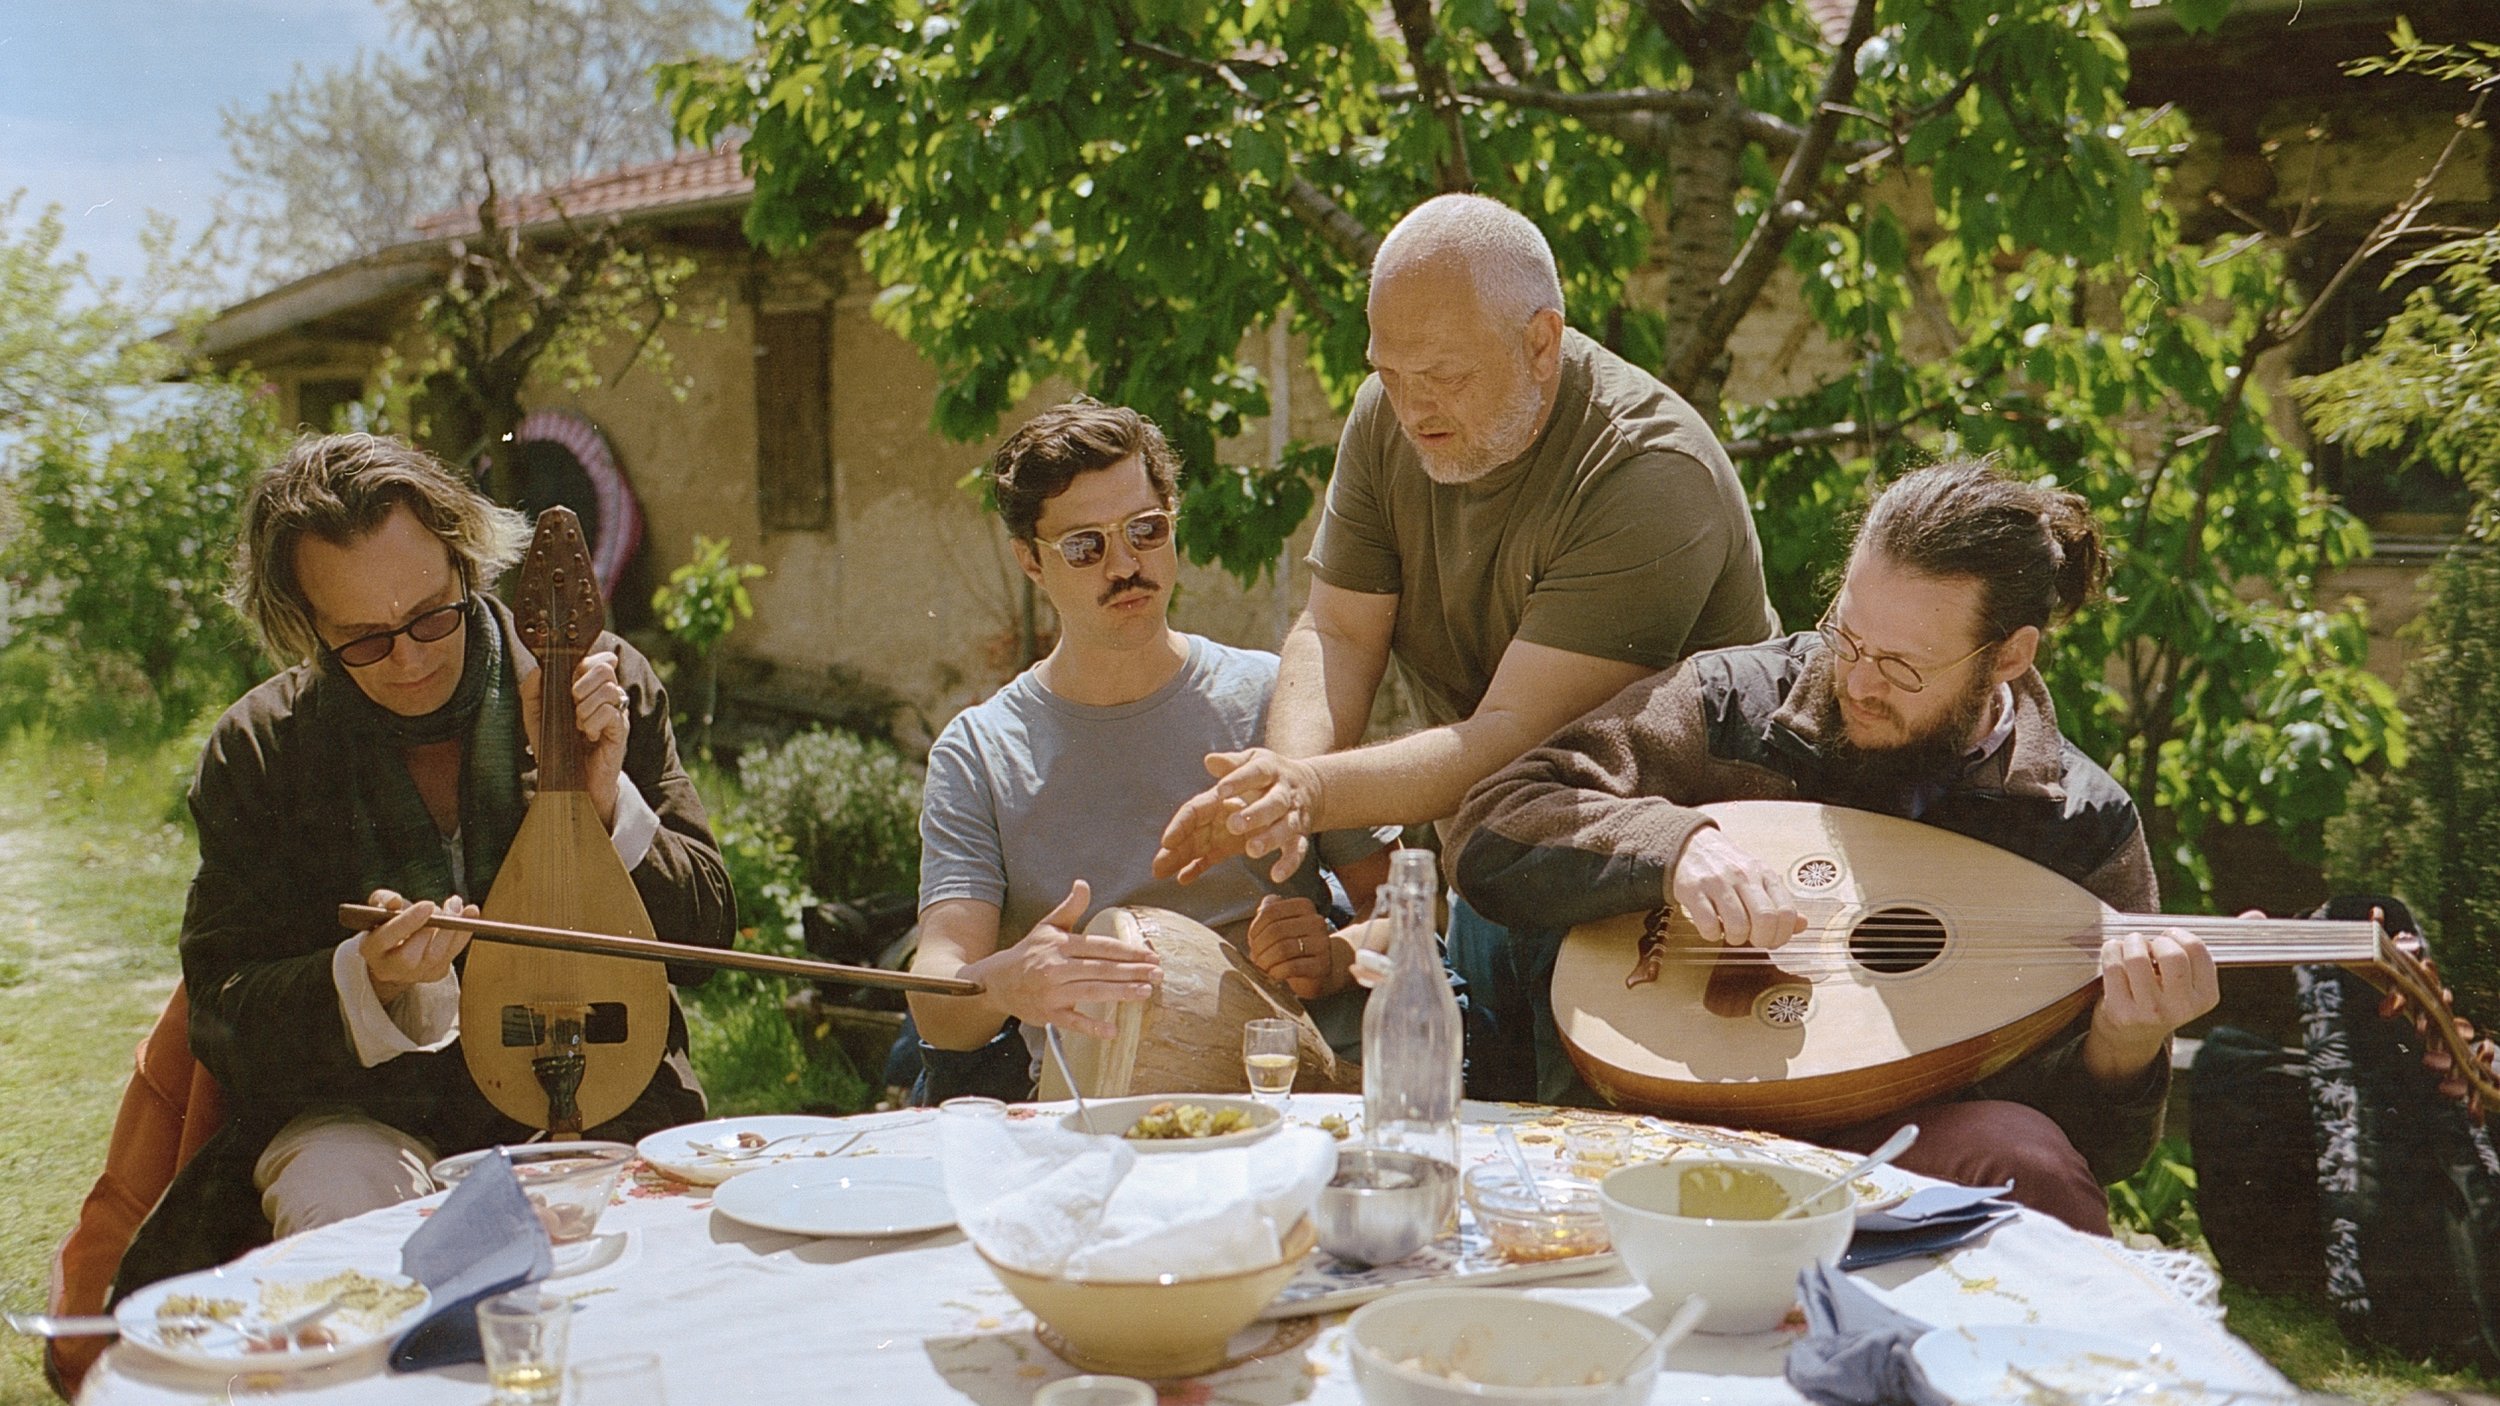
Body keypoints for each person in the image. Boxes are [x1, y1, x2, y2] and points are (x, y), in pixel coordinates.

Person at [1449, 459, 2218, 1233]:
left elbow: (2101, 1152)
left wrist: (2125, 1046)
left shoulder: (2077, 824)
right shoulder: (1731, 706)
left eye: (1901, 667)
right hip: (1668, 1096)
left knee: (2035, 1167)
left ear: (2009, 657)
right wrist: (1676, 846)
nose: (1856, 681)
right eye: (1848, 636)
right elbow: (1494, 821)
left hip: (1889, 1147)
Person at [1155, 192, 1778, 1101]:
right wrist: (1278, 791)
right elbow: (1336, 630)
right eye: (1389, 372)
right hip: (1498, 863)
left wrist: (1313, 790)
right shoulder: (1387, 416)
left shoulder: (1649, 472)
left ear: (1541, 341)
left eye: (1443, 374)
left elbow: (1514, 734)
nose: (1411, 407)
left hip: (1665, 897)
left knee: (1594, 1174)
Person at [112, 433, 734, 1296]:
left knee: (627, 1300)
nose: (408, 658)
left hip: (601, 1093)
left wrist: (603, 809)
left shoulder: (594, 683)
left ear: (466, 561)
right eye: (362, 639)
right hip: (369, 1118)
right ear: (305, 626)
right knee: (358, 1243)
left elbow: (709, 931)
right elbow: (222, 1014)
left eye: (430, 615)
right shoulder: (262, 748)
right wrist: (367, 982)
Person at [904, 398, 1395, 1101]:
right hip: (1091, 1121)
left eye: (1146, 530)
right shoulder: (980, 751)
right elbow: (936, 996)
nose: (1125, 564)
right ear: (1030, 561)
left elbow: (1409, 910)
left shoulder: (1276, 698)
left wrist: (1337, 955)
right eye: (1085, 546)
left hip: (1293, 1104)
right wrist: (1005, 982)